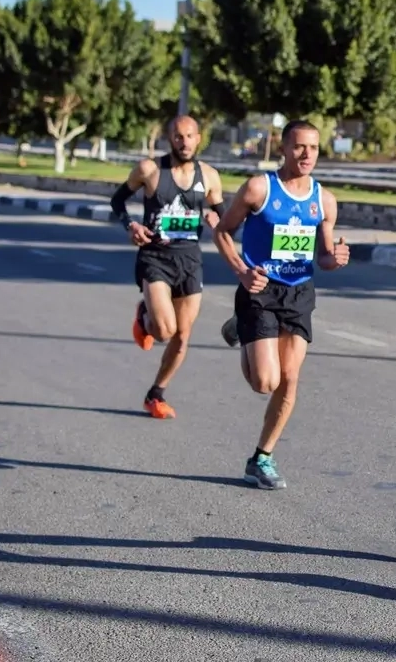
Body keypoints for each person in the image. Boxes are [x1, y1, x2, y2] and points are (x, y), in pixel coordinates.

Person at [211, 119, 350, 490]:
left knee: (289, 380)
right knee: (264, 382)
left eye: (314, 148)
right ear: (284, 148)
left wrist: (334, 259)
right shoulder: (260, 189)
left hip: (299, 293)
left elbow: (322, 256)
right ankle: (243, 325)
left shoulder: (324, 200)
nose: (307, 155)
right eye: (299, 147)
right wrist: (241, 271)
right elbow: (222, 231)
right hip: (259, 290)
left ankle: (262, 457)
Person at [110, 115, 225, 420]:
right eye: (177, 136)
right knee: (164, 330)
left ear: (198, 139)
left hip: (189, 259)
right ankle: (145, 314)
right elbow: (118, 200)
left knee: (182, 336)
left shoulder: (210, 176)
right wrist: (130, 224)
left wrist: (218, 221)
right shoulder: (150, 170)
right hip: (155, 256)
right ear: (169, 139)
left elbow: (221, 214)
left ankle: (156, 394)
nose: (183, 142)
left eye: (189, 136)